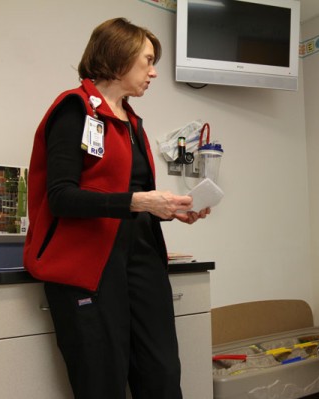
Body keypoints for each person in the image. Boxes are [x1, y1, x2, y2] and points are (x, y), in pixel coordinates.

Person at [23, 18, 210, 398]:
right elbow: (61, 196)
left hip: (141, 258)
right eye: (147, 60)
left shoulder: (132, 122)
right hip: (88, 266)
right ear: (118, 57)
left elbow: (131, 193)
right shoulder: (75, 108)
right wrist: (141, 201)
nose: (154, 72)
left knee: (161, 374)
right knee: (101, 381)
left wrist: (167, 209)